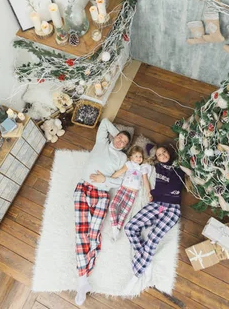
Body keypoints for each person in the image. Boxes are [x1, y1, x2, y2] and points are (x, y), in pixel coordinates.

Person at [73, 118, 130, 305]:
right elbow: (104, 122)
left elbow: (119, 182)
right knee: (81, 232)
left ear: (125, 148)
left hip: (102, 194)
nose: (120, 141)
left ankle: (84, 275)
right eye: (119, 137)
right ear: (115, 136)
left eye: (124, 142)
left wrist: (102, 178)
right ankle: (83, 279)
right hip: (83, 189)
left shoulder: (122, 159)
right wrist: (116, 134)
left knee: (93, 233)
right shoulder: (101, 142)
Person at [123, 145, 185, 289]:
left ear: (169, 152)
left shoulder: (179, 166)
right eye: (159, 154)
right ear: (155, 158)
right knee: (130, 227)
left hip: (172, 208)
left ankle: (136, 274)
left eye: (164, 152)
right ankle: (147, 260)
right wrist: (150, 192)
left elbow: (174, 185)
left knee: (152, 240)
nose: (163, 155)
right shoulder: (156, 167)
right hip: (156, 204)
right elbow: (146, 149)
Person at [107, 146, 152, 241]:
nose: (138, 158)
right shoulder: (129, 164)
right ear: (131, 157)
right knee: (113, 206)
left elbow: (145, 181)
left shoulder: (142, 168)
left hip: (133, 192)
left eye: (140, 156)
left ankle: (117, 230)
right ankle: (115, 227)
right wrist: (108, 179)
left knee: (124, 212)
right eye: (136, 156)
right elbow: (119, 172)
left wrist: (149, 192)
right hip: (123, 189)